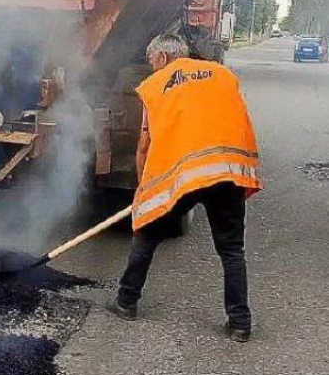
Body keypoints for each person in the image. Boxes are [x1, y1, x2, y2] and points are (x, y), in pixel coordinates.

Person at [110, 34, 262, 342]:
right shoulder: (222, 74)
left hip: (186, 174)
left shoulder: (156, 86)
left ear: (163, 58)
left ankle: (126, 301)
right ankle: (240, 324)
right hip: (229, 168)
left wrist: (144, 191)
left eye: (152, 63)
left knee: (147, 233)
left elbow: (144, 145)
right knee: (232, 250)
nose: (152, 69)